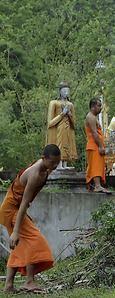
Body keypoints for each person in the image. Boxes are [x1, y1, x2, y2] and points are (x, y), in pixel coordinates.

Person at [0, 144, 61, 294]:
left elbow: (24, 204)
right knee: (36, 240)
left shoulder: (47, 168)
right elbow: (24, 204)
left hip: (15, 209)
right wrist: (15, 231)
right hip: (11, 209)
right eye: (52, 162)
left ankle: (8, 286)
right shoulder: (34, 175)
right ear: (43, 159)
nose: (54, 166)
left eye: (57, 162)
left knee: (19, 247)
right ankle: (29, 281)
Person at [46, 81, 77, 169]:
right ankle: (58, 164)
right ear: (59, 91)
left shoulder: (70, 105)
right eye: (64, 91)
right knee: (59, 144)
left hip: (67, 128)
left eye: (67, 91)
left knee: (67, 145)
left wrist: (69, 114)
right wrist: (62, 113)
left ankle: (65, 164)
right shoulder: (54, 103)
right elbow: (50, 123)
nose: (66, 93)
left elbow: (74, 124)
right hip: (59, 128)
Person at [85, 98, 111, 194]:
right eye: (98, 106)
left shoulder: (93, 117)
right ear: (92, 107)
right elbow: (94, 133)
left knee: (96, 165)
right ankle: (97, 185)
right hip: (94, 145)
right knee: (95, 165)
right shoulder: (91, 117)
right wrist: (100, 146)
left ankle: (93, 185)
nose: (100, 108)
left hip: (95, 145)